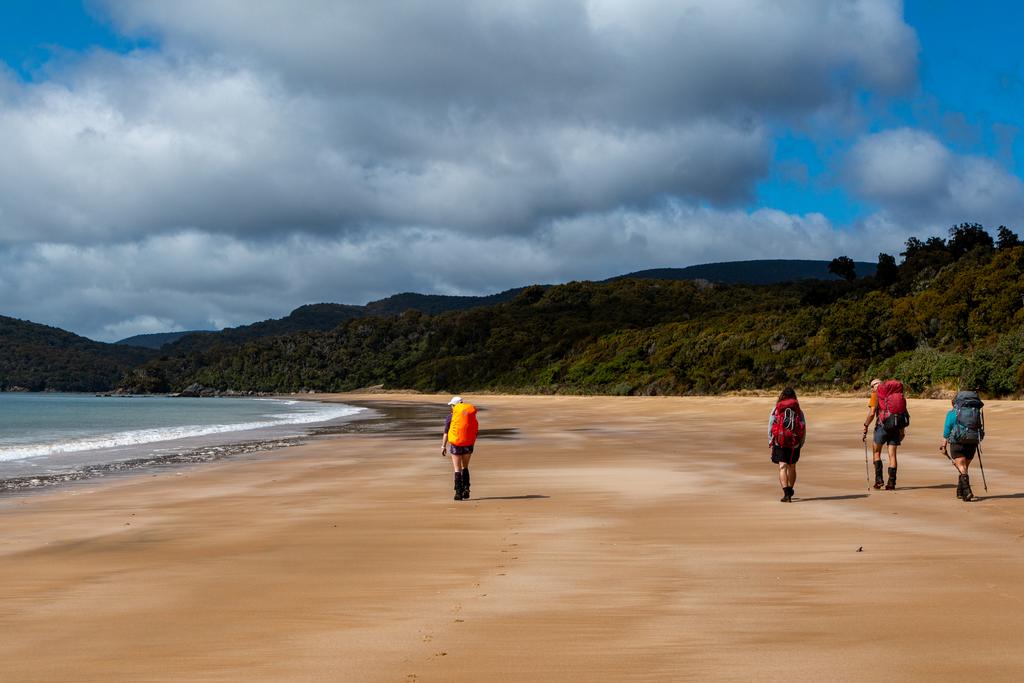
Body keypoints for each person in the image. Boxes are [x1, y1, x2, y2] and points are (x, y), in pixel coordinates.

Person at [862, 378, 909, 490]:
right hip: (896, 426)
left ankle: (879, 481)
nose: (872, 388)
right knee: (892, 455)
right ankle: (891, 483)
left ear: (874, 387)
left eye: (871, 386)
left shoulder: (876, 394)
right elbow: (903, 412)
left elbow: (872, 413)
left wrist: (866, 425)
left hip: (882, 426)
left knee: (876, 452)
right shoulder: (897, 394)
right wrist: (902, 431)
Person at [941, 390, 985, 502]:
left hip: (958, 441)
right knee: (964, 467)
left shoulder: (952, 413)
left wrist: (943, 444)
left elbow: (947, 430)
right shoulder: (975, 412)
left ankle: (967, 492)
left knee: (962, 467)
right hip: (972, 441)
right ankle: (960, 491)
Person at [769, 387, 806, 503]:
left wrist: (771, 441)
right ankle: (790, 489)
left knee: (782, 467)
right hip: (794, 443)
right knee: (792, 467)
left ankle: (786, 494)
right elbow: (803, 427)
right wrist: (801, 442)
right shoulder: (798, 411)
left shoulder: (776, 409)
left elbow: (771, 426)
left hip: (780, 441)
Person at [441, 396, 478, 501]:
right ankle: (466, 489)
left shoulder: (450, 417)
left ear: (455, 406)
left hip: (456, 445)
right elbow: (474, 431)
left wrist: (443, 446)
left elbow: (446, 433)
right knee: (465, 467)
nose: (451, 407)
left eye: (452, 405)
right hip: (468, 444)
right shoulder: (469, 416)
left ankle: (458, 493)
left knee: (457, 469)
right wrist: (472, 444)